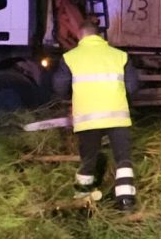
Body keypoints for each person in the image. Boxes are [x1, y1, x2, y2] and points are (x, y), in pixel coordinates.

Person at [52, 19, 139, 211]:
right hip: (118, 117)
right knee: (123, 158)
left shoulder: (70, 57)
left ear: (80, 36)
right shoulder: (120, 56)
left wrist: (72, 97)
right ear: (99, 36)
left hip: (87, 118)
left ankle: (82, 199)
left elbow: (59, 87)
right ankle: (125, 201)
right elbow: (133, 87)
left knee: (88, 159)